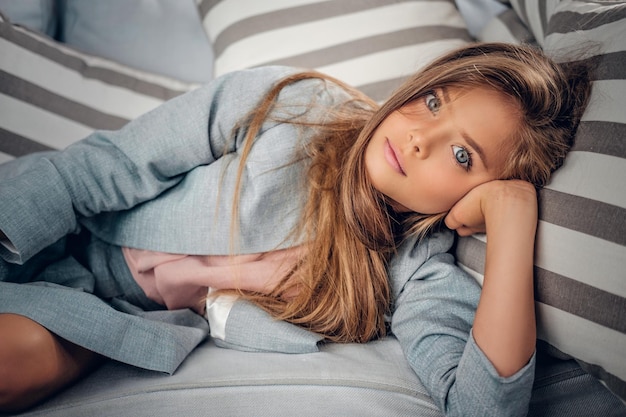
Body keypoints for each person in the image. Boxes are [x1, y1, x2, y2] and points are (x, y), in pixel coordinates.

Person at [0, 42, 596, 415]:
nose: (419, 136)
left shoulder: (414, 268)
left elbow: (481, 408)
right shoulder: (289, 106)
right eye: (435, 102)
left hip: (118, 317)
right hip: (59, 233)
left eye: (462, 157)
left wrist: (514, 220)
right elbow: (103, 169)